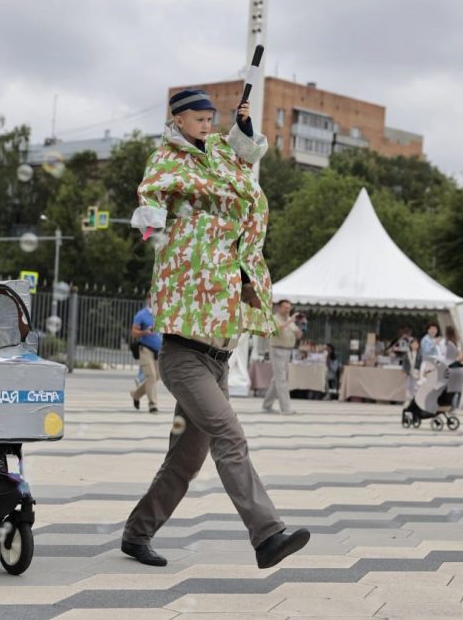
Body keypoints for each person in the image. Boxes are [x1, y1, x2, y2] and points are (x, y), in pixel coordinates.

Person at [122, 89, 310, 570]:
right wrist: (160, 221)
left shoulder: (221, 154)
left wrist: (243, 128)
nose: (208, 124)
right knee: (230, 433)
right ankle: (267, 535)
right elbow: (153, 203)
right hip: (184, 356)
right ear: (178, 118)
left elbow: (243, 160)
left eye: (212, 118)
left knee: (185, 461)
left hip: (217, 357)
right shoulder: (168, 159)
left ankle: (136, 533)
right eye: (200, 118)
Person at [261, 300, 301, 414]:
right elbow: (276, 330)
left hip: (288, 351)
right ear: (279, 308)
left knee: (277, 379)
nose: (288, 310)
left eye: (289, 308)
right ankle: (286, 408)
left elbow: (298, 335)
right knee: (282, 379)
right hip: (277, 349)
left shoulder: (290, 320)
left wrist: (301, 327)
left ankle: (266, 405)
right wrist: (291, 320)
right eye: (285, 308)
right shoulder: (274, 318)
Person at [130, 303, 162, 413]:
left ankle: (135, 394)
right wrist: (145, 332)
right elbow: (134, 333)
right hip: (145, 349)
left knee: (156, 377)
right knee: (151, 375)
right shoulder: (141, 315)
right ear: (149, 298)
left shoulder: (161, 313)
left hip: (159, 351)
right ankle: (153, 405)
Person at [442, 325, 463, 409]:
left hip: (450, 368)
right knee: (456, 388)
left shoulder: (447, 343)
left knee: (450, 388)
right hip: (458, 367)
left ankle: (450, 405)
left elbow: (446, 357)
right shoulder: (456, 343)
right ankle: (454, 404)